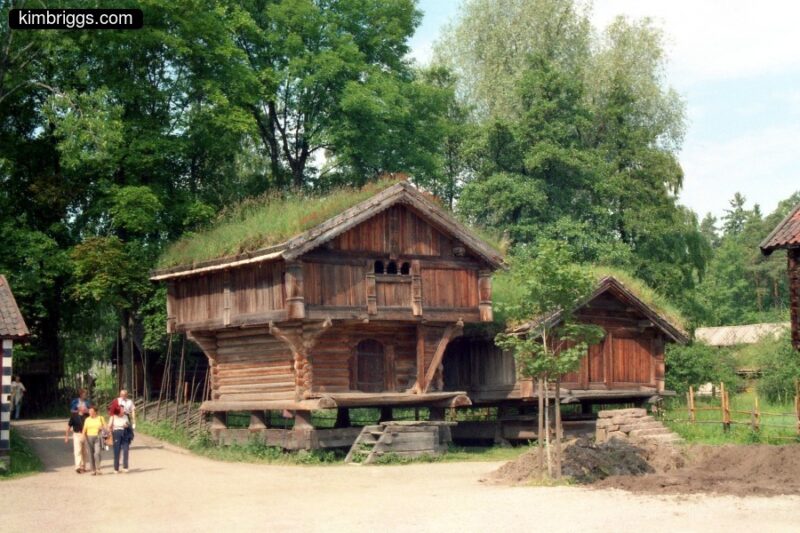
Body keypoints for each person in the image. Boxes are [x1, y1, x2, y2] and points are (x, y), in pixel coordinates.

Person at [82, 406, 106, 476]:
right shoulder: (87, 419)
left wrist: (102, 428)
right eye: (89, 411)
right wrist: (83, 436)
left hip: (98, 437)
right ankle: (93, 470)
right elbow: (84, 429)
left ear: (95, 412)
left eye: (91, 411)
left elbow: (106, 427)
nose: (90, 413)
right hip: (89, 437)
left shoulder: (100, 418)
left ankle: (98, 469)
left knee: (97, 453)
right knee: (90, 454)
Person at [65, 405, 89, 473]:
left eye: (85, 408)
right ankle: (78, 466)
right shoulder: (74, 416)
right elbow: (68, 426)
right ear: (79, 409)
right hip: (77, 434)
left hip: (86, 435)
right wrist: (66, 436)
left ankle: (83, 466)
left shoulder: (87, 416)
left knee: (84, 451)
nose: (85, 409)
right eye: (83, 408)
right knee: (78, 450)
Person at [108, 404, 132, 474]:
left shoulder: (126, 416)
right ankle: (116, 468)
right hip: (116, 433)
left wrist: (127, 425)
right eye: (121, 409)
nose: (123, 410)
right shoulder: (113, 417)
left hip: (125, 433)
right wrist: (109, 431)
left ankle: (125, 467)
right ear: (118, 410)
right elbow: (109, 426)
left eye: (123, 409)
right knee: (117, 451)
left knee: (126, 450)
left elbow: (128, 424)